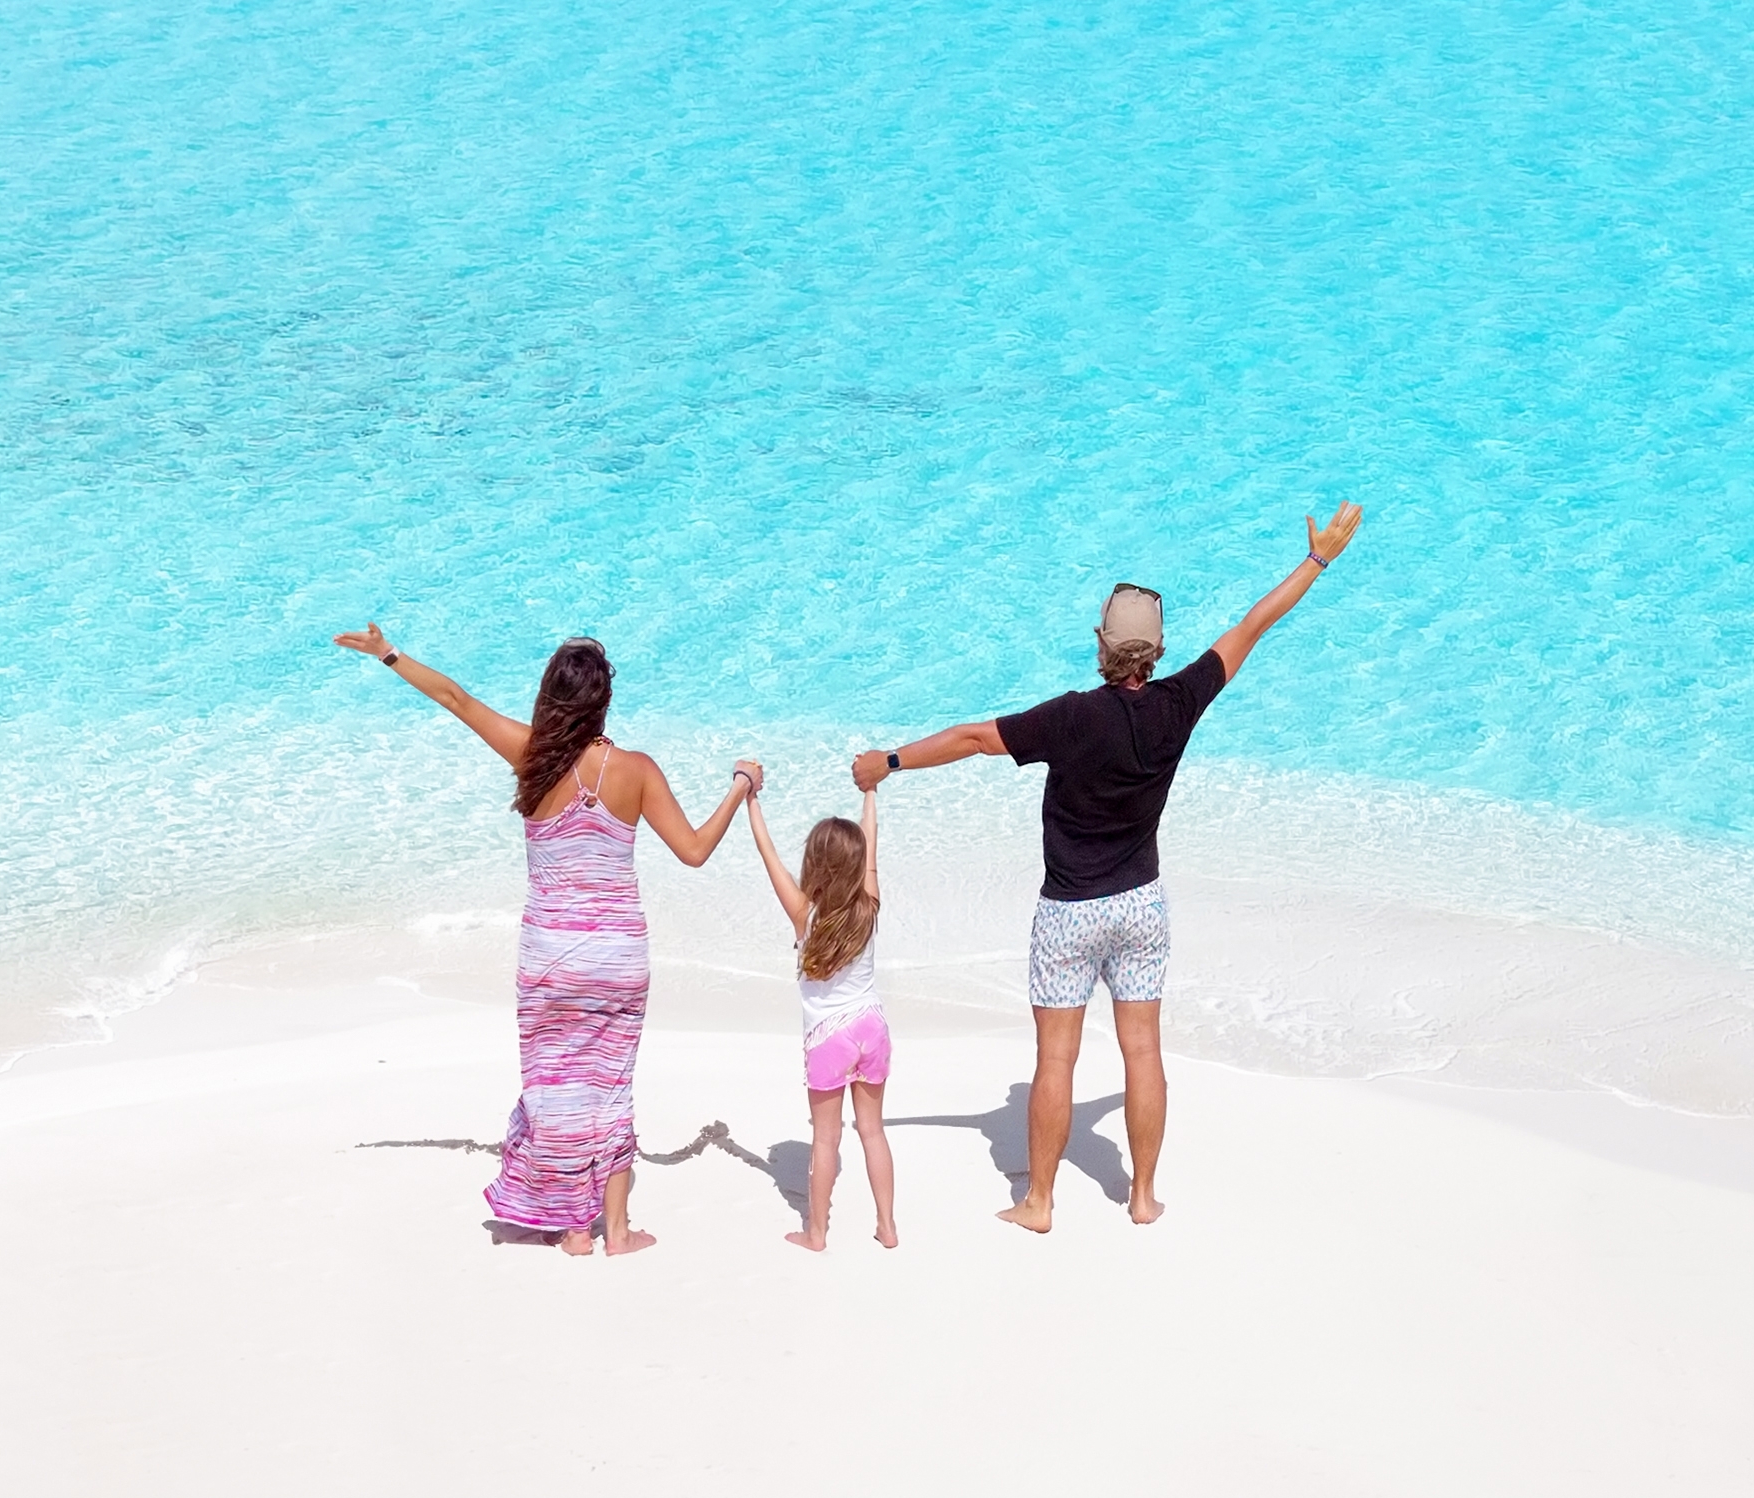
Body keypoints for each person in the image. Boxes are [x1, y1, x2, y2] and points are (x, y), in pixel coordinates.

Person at [852, 503, 1363, 1237]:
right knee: (1143, 1050)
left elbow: (971, 738)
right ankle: (1143, 1195)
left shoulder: (1069, 717)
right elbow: (1254, 625)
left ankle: (1039, 1202)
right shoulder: (1180, 703)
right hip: (1141, 907)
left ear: (1101, 643)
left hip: (1069, 912)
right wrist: (1317, 560)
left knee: (1055, 1058)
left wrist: (890, 762)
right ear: (1158, 651)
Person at [337, 620, 755, 1255]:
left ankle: (573, 1227)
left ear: (550, 695)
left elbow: (455, 698)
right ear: (604, 700)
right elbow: (695, 850)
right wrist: (741, 785)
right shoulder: (636, 770)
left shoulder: (532, 755)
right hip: (616, 957)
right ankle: (617, 1231)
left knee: (556, 1087)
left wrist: (389, 653)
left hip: (550, 956)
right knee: (610, 1084)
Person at [742, 777, 899, 1252]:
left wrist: (751, 801)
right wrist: (870, 791)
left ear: (812, 862)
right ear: (858, 865)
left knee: (826, 1140)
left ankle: (816, 1232)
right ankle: (887, 1226)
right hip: (872, 1028)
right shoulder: (869, 906)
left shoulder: (803, 914)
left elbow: (768, 853)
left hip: (829, 1039)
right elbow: (871, 845)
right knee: (872, 1131)